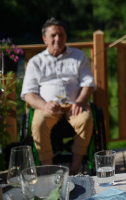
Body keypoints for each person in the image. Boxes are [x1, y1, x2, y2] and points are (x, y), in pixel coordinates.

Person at [21, 18, 96, 175]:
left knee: (86, 119)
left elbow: (88, 83)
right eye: (53, 35)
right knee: (38, 122)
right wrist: (43, 105)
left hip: (74, 105)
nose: (57, 39)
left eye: (61, 35)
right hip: (48, 107)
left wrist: (81, 101)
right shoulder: (36, 61)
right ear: (44, 39)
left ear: (66, 37)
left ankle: (75, 170)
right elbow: (28, 93)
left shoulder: (78, 56)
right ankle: (48, 171)